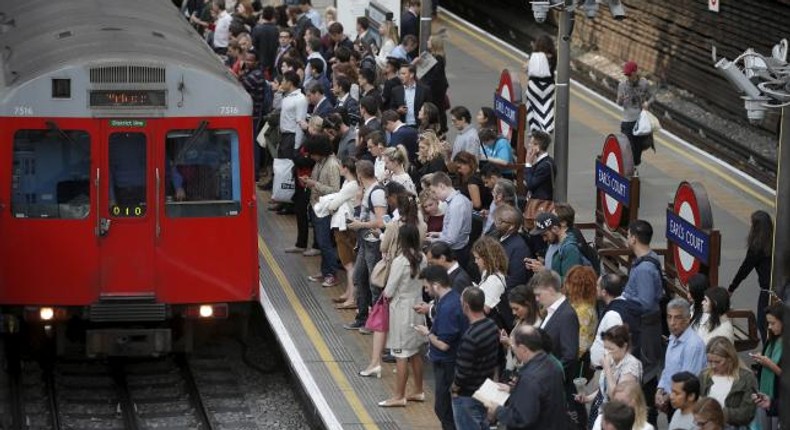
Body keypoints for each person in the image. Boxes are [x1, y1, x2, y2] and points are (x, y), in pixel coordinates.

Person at [377, 224, 427, 407]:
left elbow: (389, 290)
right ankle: (419, 390)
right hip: (418, 305)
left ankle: (399, 395)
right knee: (414, 352)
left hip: (401, 309)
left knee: (400, 353)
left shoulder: (400, 260)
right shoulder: (423, 258)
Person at [413, 265, 468, 430]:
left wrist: (427, 333)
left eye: (427, 286)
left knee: (444, 409)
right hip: (448, 363)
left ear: (436, 285)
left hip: (447, 365)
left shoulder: (448, 307)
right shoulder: (451, 300)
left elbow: (444, 344)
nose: (426, 290)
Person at [483, 324, 569, 430]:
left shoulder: (529, 378)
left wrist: (497, 410)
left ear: (523, 349)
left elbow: (521, 418)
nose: (513, 349)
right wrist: (512, 390)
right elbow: (542, 395)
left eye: (513, 346)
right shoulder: (551, 364)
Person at [622, 219, 664, 420]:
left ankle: (647, 418)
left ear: (633, 238)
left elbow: (646, 303)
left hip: (646, 331)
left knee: (645, 374)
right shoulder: (650, 258)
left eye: (628, 234)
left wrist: (623, 301)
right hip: (646, 328)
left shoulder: (645, 269)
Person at [532, 270, 582, 426]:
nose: (537, 299)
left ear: (550, 290)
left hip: (556, 388)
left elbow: (570, 356)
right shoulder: (551, 311)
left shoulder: (566, 315)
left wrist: (546, 377)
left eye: (539, 294)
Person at [345, 160, 387, 330]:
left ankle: (375, 323)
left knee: (374, 283)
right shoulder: (368, 191)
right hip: (365, 242)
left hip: (373, 243)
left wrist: (359, 225)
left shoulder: (376, 193)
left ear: (360, 175)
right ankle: (362, 317)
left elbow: (380, 221)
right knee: (359, 278)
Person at [451, 287, 500, 429]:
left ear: (466, 306)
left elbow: (463, 372)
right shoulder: (491, 326)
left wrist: (454, 389)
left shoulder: (470, 337)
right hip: (484, 390)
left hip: (467, 395)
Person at [577, 325, 643, 429]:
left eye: (611, 348)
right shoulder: (612, 361)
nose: (607, 352)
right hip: (602, 413)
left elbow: (617, 398)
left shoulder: (631, 366)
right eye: (605, 348)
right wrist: (587, 398)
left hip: (618, 420)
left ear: (624, 346)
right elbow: (603, 389)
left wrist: (607, 369)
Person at [655, 298, 708, 421]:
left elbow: (687, 382)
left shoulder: (693, 345)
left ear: (688, 318)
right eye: (669, 317)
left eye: (677, 318)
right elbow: (668, 369)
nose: (672, 322)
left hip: (687, 406)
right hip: (673, 400)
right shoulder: (673, 337)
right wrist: (659, 390)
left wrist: (666, 398)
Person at [318, 157, 359, 309]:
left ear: (346, 168)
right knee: (349, 262)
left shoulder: (350, 185)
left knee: (348, 262)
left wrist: (330, 205)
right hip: (346, 225)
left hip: (344, 227)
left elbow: (334, 205)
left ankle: (352, 297)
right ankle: (349, 293)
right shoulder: (350, 184)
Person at [301, 135, 342, 286]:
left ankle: (331, 273)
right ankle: (325, 271)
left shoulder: (331, 165)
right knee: (321, 241)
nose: (310, 156)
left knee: (325, 242)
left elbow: (335, 190)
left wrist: (314, 184)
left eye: (312, 153)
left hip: (324, 210)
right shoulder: (320, 163)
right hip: (317, 207)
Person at [728, 210, 773, 344]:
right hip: (781, 289)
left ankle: (768, 357)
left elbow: (744, 269)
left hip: (767, 292)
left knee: (763, 323)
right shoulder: (776, 242)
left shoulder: (757, 247)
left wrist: (731, 288)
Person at [699, 337, 758, 427]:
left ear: (730, 359)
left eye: (717, 362)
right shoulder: (704, 376)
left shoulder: (747, 378)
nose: (713, 366)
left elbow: (748, 413)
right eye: (709, 361)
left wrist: (718, 413)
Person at [590, 273, 642, 369]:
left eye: (597, 286)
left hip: (610, 371)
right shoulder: (623, 306)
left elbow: (614, 349)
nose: (595, 288)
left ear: (604, 292)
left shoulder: (613, 315)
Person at [428, 172, 474, 273]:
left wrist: (430, 240)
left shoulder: (456, 205)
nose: (434, 196)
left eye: (434, 192)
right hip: (460, 247)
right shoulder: (461, 199)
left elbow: (451, 239)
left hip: (456, 252)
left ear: (442, 186)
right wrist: (438, 234)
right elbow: (455, 230)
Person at [616, 61, 655, 167]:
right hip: (627, 121)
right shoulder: (622, 85)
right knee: (628, 148)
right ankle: (628, 171)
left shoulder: (644, 83)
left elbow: (653, 97)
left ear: (635, 72)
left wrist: (647, 103)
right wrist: (621, 99)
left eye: (629, 74)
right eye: (626, 74)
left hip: (640, 122)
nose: (627, 76)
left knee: (638, 150)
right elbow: (618, 103)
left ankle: (633, 167)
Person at [500, 283, 542, 381]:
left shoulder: (536, 327)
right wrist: (507, 342)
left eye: (516, 309)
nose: (514, 313)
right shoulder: (522, 320)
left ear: (528, 304)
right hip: (510, 370)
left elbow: (527, 359)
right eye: (512, 309)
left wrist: (510, 343)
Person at [751, 303, 783, 430]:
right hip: (764, 392)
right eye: (768, 323)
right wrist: (760, 360)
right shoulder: (772, 339)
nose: (769, 327)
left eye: (773, 323)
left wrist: (769, 364)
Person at [526, 212, 582, 281]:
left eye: (545, 235)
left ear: (555, 229)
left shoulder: (570, 249)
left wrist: (545, 272)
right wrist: (539, 265)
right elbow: (554, 267)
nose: (544, 239)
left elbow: (570, 282)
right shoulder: (553, 243)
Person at [454, 151, 492, 243]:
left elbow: (477, 204)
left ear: (469, 164)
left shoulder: (473, 181)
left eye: (460, 167)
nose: (458, 170)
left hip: (478, 218)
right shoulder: (467, 177)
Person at [564, 266, 598, 367]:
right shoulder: (580, 304)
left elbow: (582, 344)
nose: (566, 285)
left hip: (576, 361)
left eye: (569, 282)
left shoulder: (584, 310)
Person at [493, 205, 533, 291]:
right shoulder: (499, 237)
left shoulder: (519, 248)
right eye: (496, 220)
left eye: (500, 221)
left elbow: (516, 280)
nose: (496, 223)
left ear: (511, 226)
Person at [471, 237, 508, 325]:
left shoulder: (494, 280)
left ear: (488, 258)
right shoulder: (486, 272)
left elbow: (485, 309)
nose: (475, 261)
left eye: (478, 258)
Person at [524, 34, 557, 133]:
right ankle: (547, 127)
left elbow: (525, 68)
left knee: (532, 107)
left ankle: (534, 128)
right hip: (548, 87)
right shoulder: (553, 56)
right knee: (547, 107)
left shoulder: (534, 55)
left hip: (534, 85)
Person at [389, 63, 430, 128]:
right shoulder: (396, 91)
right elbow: (391, 109)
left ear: (411, 74)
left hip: (420, 126)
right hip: (403, 127)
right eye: (400, 74)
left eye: (403, 74)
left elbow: (429, 109)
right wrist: (398, 110)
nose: (400, 76)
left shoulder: (424, 90)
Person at [523, 130, 555, 203]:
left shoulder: (545, 165)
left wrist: (528, 164)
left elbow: (530, 184)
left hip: (540, 203)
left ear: (537, 146)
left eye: (531, 143)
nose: (529, 145)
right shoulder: (542, 162)